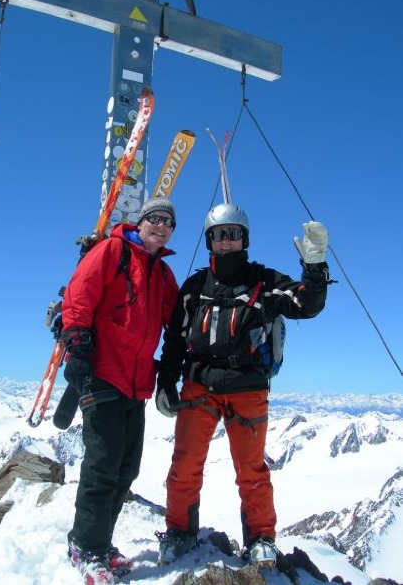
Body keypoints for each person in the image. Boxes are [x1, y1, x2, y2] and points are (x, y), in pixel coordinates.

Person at [155, 202, 330, 567]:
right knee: (185, 464)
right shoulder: (194, 286)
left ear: (244, 239)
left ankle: (261, 538)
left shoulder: (263, 282)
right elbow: (174, 338)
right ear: (209, 241)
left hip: (247, 387)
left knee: (251, 471)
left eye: (233, 234)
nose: (226, 241)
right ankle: (180, 530)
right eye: (219, 235)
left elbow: (305, 305)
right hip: (199, 384)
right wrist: (166, 381)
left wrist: (314, 268)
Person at [60, 197, 179, 585]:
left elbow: (177, 322)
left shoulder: (163, 275)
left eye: (169, 223)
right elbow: (79, 295)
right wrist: (76, 348)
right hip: (102, 374)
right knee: (102, 465)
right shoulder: (113, 251)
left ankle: (101, 543)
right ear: (141, 223)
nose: (161, 226)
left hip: (137, 385)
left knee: (126, 467)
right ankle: (84, 545)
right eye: (155, 219)